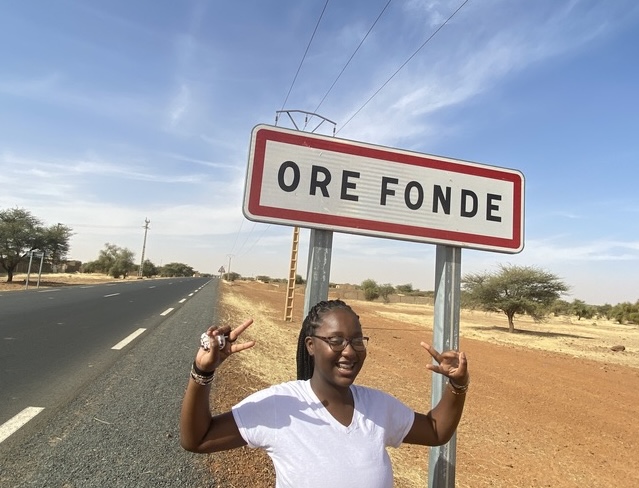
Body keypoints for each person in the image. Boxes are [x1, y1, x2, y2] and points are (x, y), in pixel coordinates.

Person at [180, 299, 469, 487]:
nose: (349, 351)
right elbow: (199, 439)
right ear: (310, 345)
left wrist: (457, 385)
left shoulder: (378, 406)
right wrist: (202, 372)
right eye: (336, 340)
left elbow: (434, 431)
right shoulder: (282, 405)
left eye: (357, 340)